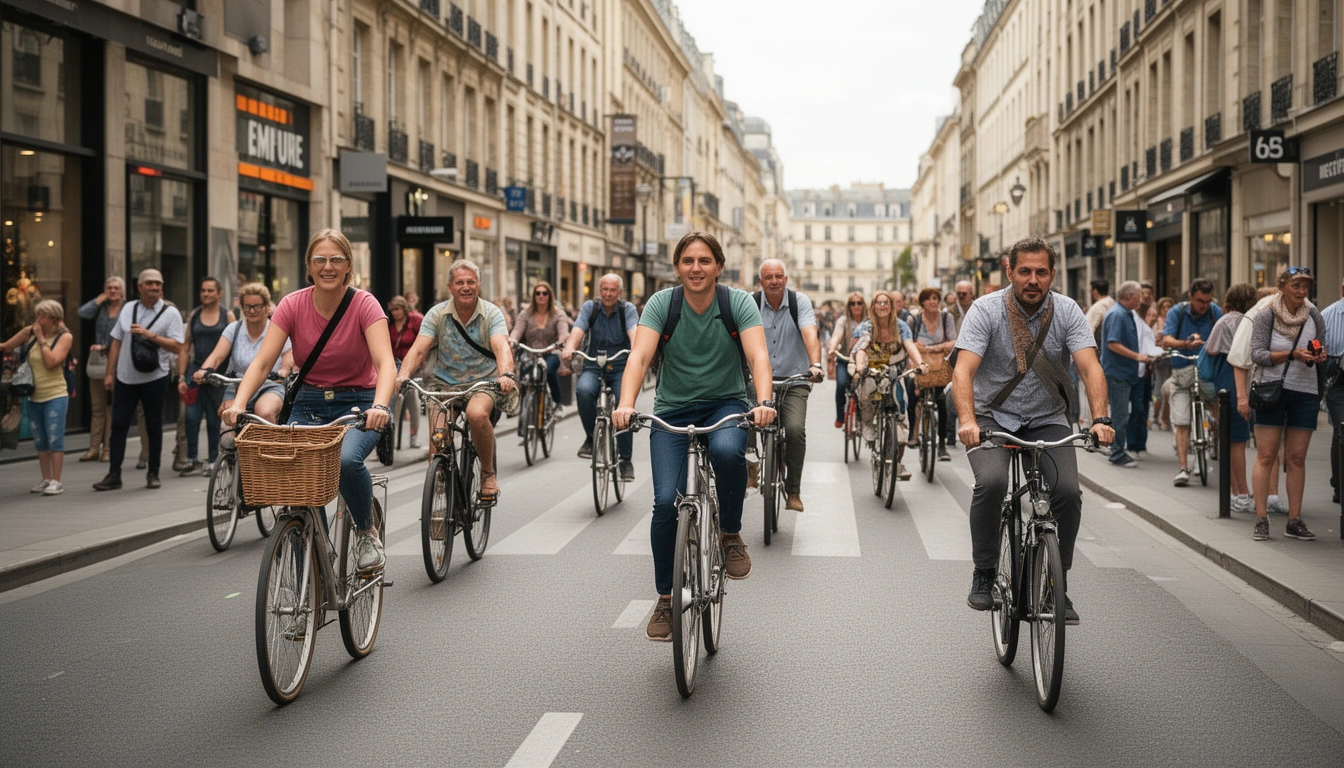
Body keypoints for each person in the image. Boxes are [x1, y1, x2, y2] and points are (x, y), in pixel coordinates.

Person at [611, 231, 776, 643]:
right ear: (678, 266)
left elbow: (758, 355)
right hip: (673, 408)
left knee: (726, 451)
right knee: (666, 501)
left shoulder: (735, 303)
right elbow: (641, 356)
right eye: (688, 261)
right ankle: (666, 598)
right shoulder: (662, 305)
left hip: (727, 404)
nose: (696, 268)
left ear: (718, 266)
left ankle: (731, 533)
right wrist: (626, 403)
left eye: (704, 261)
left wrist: (763, 400)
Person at [954, 238, 1114, 624]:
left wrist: (1100, 419)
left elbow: (1090, 368)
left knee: (1067, 493)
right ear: (1009, 272)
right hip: (992, 415)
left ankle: (1056, 583)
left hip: (1047, 416)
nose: (1033, 279)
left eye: (1041, 272)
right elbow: (963, 371)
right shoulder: (986, 310)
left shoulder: (1068, 311)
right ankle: (985, 571)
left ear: (1052, 275)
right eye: (1024, 271)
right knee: (991, 483)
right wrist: (968, 421)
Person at [224, 230, 396, 572]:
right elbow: (261, 363)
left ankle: (365, 532)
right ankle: (317, 552)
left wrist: (380, 406)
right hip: (309, 401)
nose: (327, 266)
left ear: (348, 266)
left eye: (336, 260)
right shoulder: (292, 304)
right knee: (298, 480)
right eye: (320, 259)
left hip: (359, 404)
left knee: (347, 461)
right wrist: (239, 403)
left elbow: (385, 363)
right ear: (309, 265)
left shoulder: (364, 304)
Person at [395, 259, 516, 502]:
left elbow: (501, 346)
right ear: (450, 287)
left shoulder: (491, 313)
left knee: (477, 414)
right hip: (444, 385)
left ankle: (487, 473)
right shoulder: (437, 314)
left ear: (478, 286)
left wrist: (505, 374)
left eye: (471, 282)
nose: (466, 287)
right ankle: (439, 494)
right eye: (460, 282)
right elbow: (419, 349)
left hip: (483, 383)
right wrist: (402, 375)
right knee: (438, 440)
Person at [1247, 267, 1326, 541]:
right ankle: (1261, 518)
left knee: (1297, 458)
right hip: (1272, 390)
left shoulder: (1313, 314)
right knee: (1267, 455)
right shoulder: (1266, 314)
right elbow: (1257, 354)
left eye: (1305, 286)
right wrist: (1292, 354)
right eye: (1296, 286)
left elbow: (1317, 344)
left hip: (1305, 392)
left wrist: (1317, 354)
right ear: (1282, 286)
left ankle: (1294, 520)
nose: (1302, 291)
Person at [92, 269, 185, 491]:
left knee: (154, 426)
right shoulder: (128, 308)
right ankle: (114, 474)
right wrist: (109, 373)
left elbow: (178, 346)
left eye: (158, 283)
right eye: (149, 283)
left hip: (156, 377)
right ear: (140, 287)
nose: (154, 287)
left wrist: (151, 336)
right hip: (125, 378)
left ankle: (153, 473)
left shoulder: (170, 313)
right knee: (119, 425)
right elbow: (116, 340)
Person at [749, 259, 824, 512]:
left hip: (794, 378)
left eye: (778, 276)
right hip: (760, 379)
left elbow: (810, 332)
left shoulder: (798, 301)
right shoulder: (751, 302)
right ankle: (751, 464)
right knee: (744, 416)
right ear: (760, 282)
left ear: (786, 279)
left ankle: (793, 490)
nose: (774, 281)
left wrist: (815, 364)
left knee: (793, 430)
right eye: (768, 277)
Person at [561, 273, 638, 480]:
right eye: (605, 289)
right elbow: (578, 330)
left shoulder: (627, 310)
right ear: (599, 290)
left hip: (621, 365)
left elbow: (634, 334)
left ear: (619, 292)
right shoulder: (590, 308)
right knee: (583, 391)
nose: (608, 294)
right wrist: (569, 347)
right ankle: (590, 437)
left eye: (613, 290)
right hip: (593, 364)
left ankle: (625, 460)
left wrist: (637, 351)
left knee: (624, 405)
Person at [852, 290, 928, 481]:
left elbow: (910, 345)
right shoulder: (867, 327)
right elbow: (861, 349)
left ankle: (898, 461)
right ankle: (868, 424)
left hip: (895, 374)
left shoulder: (901, 326)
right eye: (879, 303)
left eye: (887, 303)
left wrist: (920, 363)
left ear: (892, 306)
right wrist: (860, 367)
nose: (883, 306)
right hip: (873, 374)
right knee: (867, 398)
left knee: (901, 417)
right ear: (873, 306)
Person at [193, 282, 292, 425]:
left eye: (257, 306)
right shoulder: (234, 328)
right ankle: (228, 446)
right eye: (247, 306)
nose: (252, 311)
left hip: (269, 384)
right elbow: (217, 355)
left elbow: (288, 355)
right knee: (227, 415)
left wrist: (284, 370)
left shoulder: (275, 328)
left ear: (266, 306)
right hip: (236, 385)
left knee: (265, 411)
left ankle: (267, 447)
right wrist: (204, 370)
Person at [1, 300, 73, 494]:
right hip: (34, 395)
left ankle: (56, 481)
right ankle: (45, 478)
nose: (37, 319)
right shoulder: (29, 332)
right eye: (37, 315)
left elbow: (52, 362)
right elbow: (6, 347)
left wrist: (41, 338)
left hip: (55, 394)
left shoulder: (64, 337)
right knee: (40, 440)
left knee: (54, 438)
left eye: (42, 316)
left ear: (54, 318)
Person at [1162, 278, 1223, 487]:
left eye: (1207, 301)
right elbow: (1166, 340)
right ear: (1190, 297)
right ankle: (1183, 468)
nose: (1203, 306)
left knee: (1216, 405)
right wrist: (1185, 344)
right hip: (1182, 371)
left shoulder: (1215, 312)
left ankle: (1214, 436)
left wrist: (1209, 345)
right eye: (1199, 301)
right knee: (1181, 421)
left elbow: (1225, 337)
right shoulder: (1177, 312)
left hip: (1207, 371)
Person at [1203, 283, 1258, 513]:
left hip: (1226, 379)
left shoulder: (1225, 320)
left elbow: (1211, 349)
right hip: (1243, 379)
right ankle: (1241, 492)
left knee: (1233, 438)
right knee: (1238, 440)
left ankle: (1238, 492)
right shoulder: (1251, 320)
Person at [176, 277, 235, 475]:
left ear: (219, 293)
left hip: (218, 374)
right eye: (203, 290)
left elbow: (234, 346)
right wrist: (182, 376)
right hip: (195, 371)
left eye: (210, 291)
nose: (206, 294)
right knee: (191, 417)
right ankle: (192, 458)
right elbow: (185, 346)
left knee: (213, 418)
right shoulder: (195, 315)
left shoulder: (227, 316)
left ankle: (212, 459)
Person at [78, 276, 135, 462]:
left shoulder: (128, 308)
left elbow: (127, 332)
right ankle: (94, 447)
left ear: (122, 291)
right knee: (97, 407)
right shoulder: (101, 307)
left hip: (119, 361)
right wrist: (99, 299)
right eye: (109, 288)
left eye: (116, 288)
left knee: (112, 407)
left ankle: (109, 448)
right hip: (98, 361)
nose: (112, 291)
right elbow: (82, 313)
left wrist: (107, 346)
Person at [1100, 281, 1151, 468]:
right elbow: (1113, 343)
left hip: (1125, 373)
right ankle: (1117, 453)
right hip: (1118, 373)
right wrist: (1137, 356)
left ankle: (1118, 449)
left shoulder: (1125, 314)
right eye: (1139, 295)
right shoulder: (1118, 315)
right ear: (1129, 296)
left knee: (1124, 413)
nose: (1141, 298)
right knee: (1120, 415)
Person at [510, 280, 571, 420]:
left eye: (545, 293)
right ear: (534, 296)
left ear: (550, 295)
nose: (541, 296)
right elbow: (517, 330)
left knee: (549, 370)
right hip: (530, 353)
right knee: (524, 379)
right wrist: (512, 340)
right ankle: (523, 423)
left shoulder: (558, 314)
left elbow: (563, 332)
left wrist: (560, 342)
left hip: (551, 351)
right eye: (538, 293)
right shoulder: (525, 314)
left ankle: (557, 403)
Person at [912, 287, 957, 461]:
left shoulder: (947, 318)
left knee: (943, 404)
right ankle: (912, 435)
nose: (933, 302)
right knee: (912, 397)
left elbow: (953, 341)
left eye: (936, 298)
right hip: (920, 365)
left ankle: (942, 445)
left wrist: (933, 348)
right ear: (922, 301)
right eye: (929, 299)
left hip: (940, 367)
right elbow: (908, 341)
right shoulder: (915, 319)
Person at [826, 292, 866, 427]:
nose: (856, 306)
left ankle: (866, 418)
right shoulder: (843, 321)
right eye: (852, 303)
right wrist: (832, 347)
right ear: (848, 306)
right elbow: (837, 335)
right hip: (845, 359)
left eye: (859, 303)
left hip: (864, 362)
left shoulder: (869, 321)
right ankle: (840, 416)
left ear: (863, 305)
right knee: (841, 384)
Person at [388, 295, 423, 448]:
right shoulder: (388, 324)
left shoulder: (414, 321)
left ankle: (413, 436)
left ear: (404, 308)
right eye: (393, 310)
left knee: (412, 400)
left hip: (412, 367)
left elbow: (423, 341)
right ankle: (389, 439)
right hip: (394, 367)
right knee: (391, 402)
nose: (395, 313)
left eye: (397, 309)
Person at [1321, 278, 1344, 504]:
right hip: (1339, 383)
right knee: (1342, 429)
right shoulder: (1328, 315)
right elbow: (1318, 352)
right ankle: (1339, 485)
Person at [1149, 297, 1175, 430]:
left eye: (1169, 306)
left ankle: (1166, 418)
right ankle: (1156, 415)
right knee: (1159, 388)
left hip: (1173, 357)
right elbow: (1152, 340)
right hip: (1161, 359)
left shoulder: (1173, 321)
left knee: (1171, 389)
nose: (1167, 309)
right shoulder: (1157, 322)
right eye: (1164, 306)